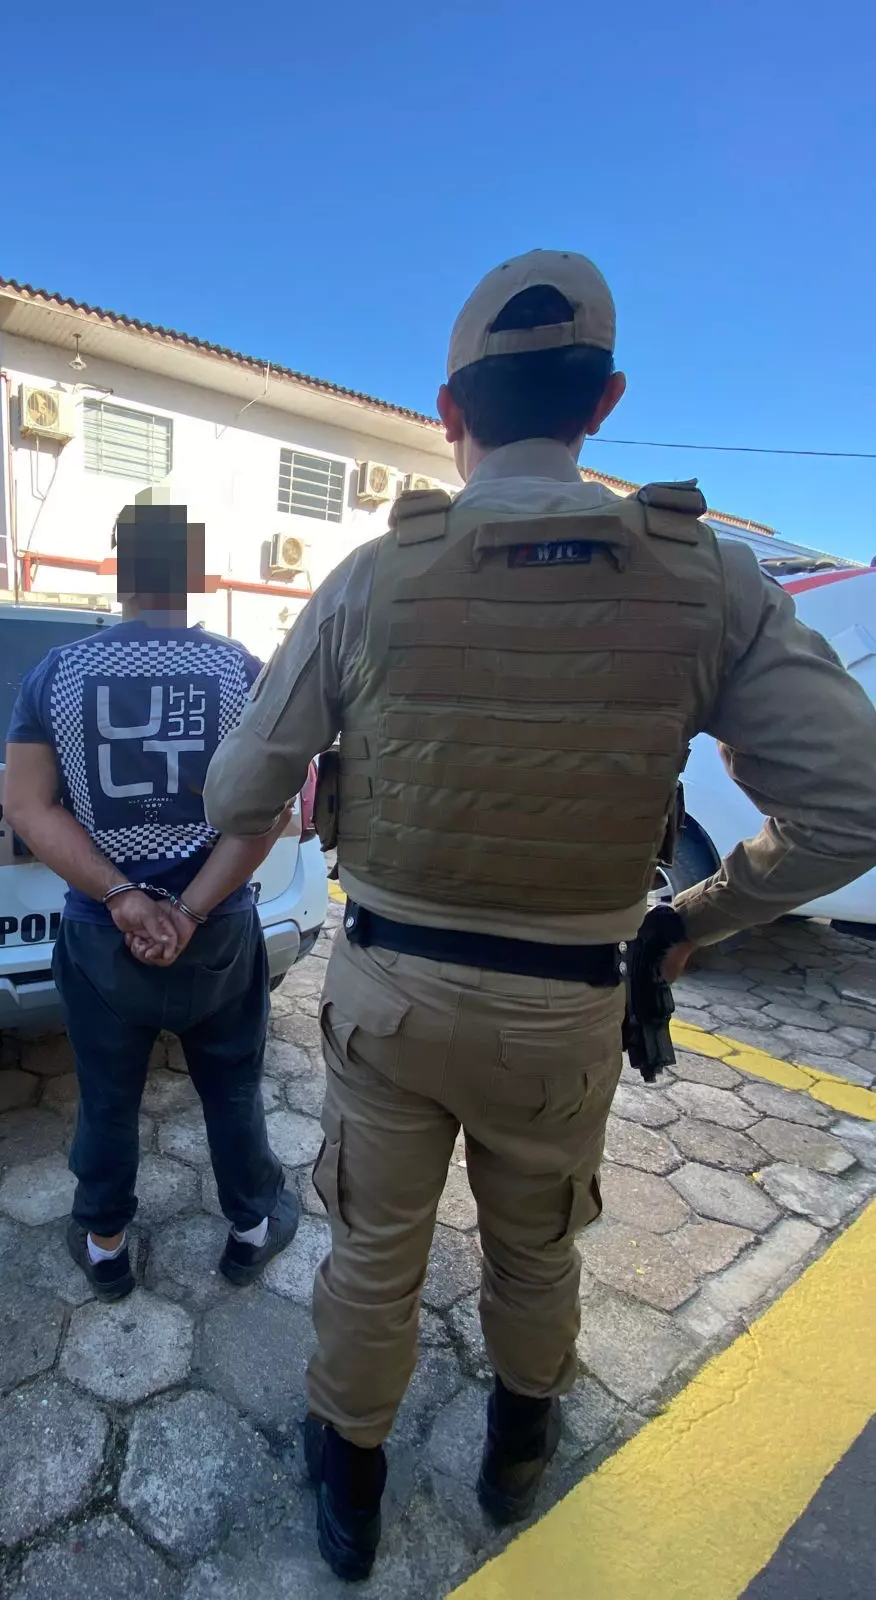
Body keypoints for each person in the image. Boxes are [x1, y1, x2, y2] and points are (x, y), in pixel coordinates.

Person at [203, 249, 876, 1580]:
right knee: (538, 1245)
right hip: (566, 1011)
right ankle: (518, 1453)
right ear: (605, 403)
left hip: (390, 993)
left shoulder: (369, 578)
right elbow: (853, 812)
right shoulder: (713, 580)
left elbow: (238, 789)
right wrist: (689, 922)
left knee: (375, 1250)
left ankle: (348, 1489)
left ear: (448, 412)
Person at [4, 502, 299, 1303]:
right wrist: (193, 909)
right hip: (221, 934)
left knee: (106, 1096)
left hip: (104, 935)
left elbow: (29, 807)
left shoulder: (57, 675)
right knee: (232, 1087)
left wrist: (128, 900)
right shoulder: (244, 673)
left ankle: (105, 1245)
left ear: (119, 572)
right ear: (197, 577)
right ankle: (249, 1230)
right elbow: (272, 811)